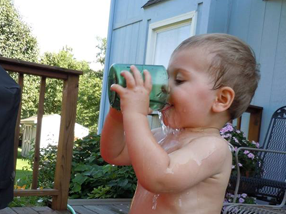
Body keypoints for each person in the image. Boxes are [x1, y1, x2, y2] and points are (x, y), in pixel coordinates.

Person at [100, 33, 260, 214]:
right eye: (166, 76)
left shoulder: (213, 148)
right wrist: (119, 113)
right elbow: (114, 153)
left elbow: (159, 177)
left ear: (221, 99)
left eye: (179, 79)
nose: (165, 87)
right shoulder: (162, 136)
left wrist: (135, 114)